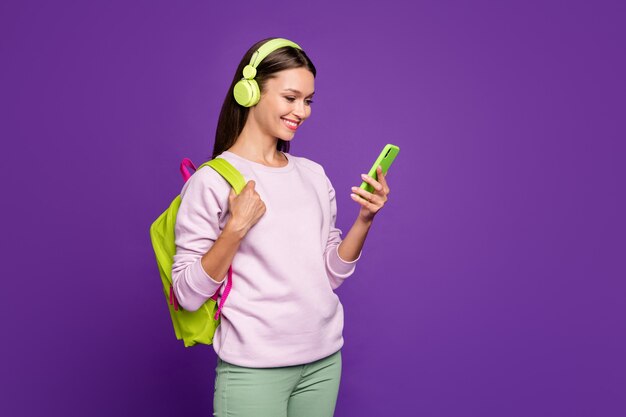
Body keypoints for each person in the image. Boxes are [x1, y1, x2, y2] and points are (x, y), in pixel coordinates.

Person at [171, 37, 391, 417]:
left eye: (308, 101)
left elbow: (330, 273)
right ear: (250, 90)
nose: (301, 111)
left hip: (323, 361)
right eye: (290, 98)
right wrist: (235, 229)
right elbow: (186, 294)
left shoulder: (312, 174)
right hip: (254, 369)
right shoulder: (212, 180)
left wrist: (365, 219)